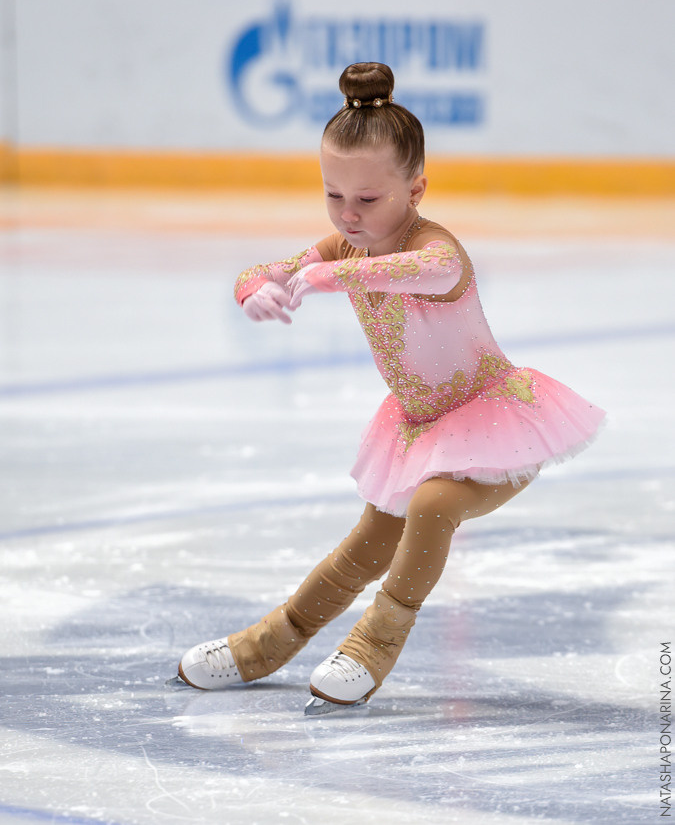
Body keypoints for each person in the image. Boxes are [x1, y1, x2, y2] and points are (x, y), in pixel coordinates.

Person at [177, 62, 605, 711]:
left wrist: (329, 277)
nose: (348, 216)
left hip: (495, 424)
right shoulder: (347, 245)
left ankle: (374, 645)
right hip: (421, 429)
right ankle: (263, 645)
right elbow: (260, 270)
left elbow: (416, 271)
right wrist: (255, 290)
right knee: (362, 547)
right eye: (332, 196)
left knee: (433, 506)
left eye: (368, 200)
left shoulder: (437, 252)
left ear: (416, 187)